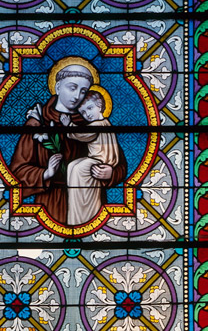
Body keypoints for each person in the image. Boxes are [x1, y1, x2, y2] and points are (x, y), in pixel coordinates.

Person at [8, 59, 126, 225]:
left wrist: (110, 174)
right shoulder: (38, 122)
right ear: (57, 87)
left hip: (89, 198)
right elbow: (18, 171)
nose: (77, 96)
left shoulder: (91, 123)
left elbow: (117, 162)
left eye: (84, 91)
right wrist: (45, 174)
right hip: (50, 205)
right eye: (72, 88)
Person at [64, 89, 119, 225]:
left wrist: (68, 125)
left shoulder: (96, 125)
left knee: (77, 169)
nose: (87, 114)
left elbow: (81, 134)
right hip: (97, 161)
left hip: (98, 162)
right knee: (71, 166)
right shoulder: (106, 123)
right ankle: (75, 216)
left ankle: (81, 218)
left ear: (100, 106)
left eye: (89, 108)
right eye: (83, 112)